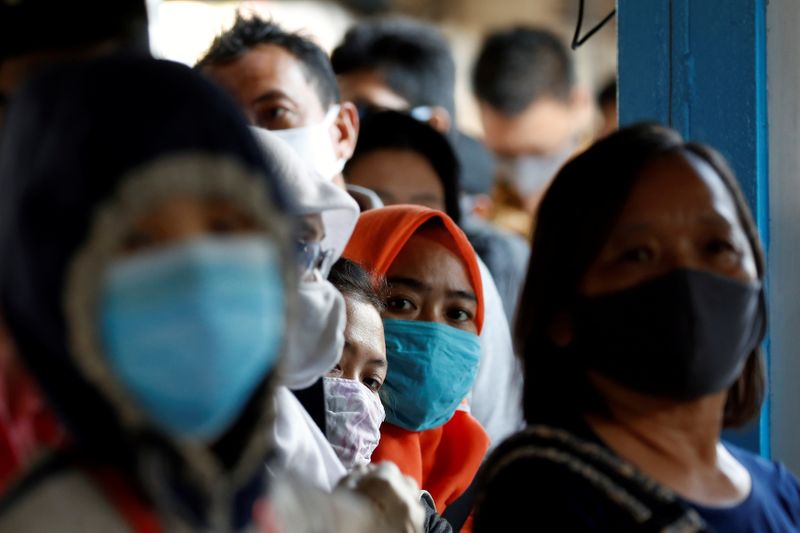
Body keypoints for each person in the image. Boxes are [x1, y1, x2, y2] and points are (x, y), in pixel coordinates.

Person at [472, 124, 800, 531]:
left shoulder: (785, 496)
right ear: (562, 312)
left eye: (718, 247)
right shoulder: (541, 496)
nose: (686, 277)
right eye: (638, 255)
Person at [344, 111, 524, 446]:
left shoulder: (465, 458)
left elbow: (495, 417)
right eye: (378, 206)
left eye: (425, 209)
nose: (404, 223)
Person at [331, 18, 529, 320]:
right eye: (338, 114)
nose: (346, 131)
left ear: (433, 125)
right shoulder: (324, 239)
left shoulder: (495, 263)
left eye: (366, 112)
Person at [344, 205, 491, 522]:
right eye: (400, 303)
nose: (434, 335)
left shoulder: (482, 479)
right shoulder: (296, 448)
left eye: (457, 313)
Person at [197, 13, 359, 188]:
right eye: (227, 125)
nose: (250, 142)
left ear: (342, 131)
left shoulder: (392, 215)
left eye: (274, 112)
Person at [472, 26, 593, 237]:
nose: (523, 182)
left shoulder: (618, 193)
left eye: (539, 154)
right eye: (505, 155)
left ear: (579, 104)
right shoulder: (471, 197)